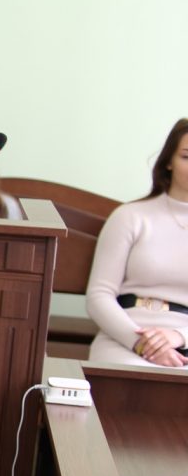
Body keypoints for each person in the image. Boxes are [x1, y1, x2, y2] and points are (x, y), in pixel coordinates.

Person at [85, 118, 188, 369]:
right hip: (123, 339)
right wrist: (140, 343)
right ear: (169, 162)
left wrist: (178, 336)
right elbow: (99, 295)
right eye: (186, 157)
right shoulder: (130, 216)